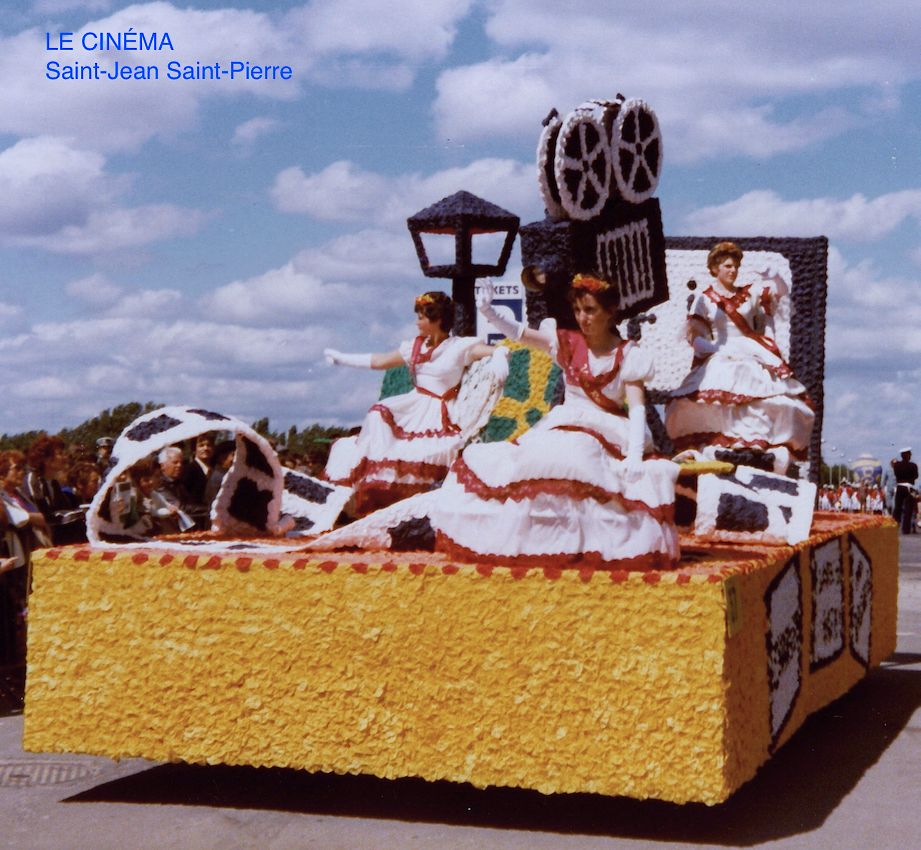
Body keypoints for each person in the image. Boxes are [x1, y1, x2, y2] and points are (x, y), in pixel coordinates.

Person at [424, 274, 679, 569]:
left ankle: (588, 541)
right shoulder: (568, 343)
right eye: (578, 310)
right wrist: (489, 312)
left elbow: (636, 408)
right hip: (565, 422)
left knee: (579, 456)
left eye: (590, 310)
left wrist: (634, 454)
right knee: (532, 460)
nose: (582, 318)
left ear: (610, 311)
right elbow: (522, 334)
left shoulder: (628, 355)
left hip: (607, 428)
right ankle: (540, 540)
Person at [322, 291, 508, 516]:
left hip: (439, 411)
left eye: (421, 317)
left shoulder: (459, 347)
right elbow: (380, 361)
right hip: (412, 407)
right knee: (378, 413)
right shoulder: (415, 347)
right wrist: (342, 358)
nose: (417, 323)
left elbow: (494, 350)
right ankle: (378, 480)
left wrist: (499, 355)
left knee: (424, 451)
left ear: (437, 319)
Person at [665, 242, 814, 475]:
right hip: (721, 352)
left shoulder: (749, 293)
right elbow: (694, 336)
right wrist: (713, 348)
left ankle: (753, 439)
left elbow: (780, 293)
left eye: (735, 266)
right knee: (719, 392)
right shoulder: (704, 299)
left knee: (760, 390)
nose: (733, 270)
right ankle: (725, 440)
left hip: (750, 349)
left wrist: (775, 277)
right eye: (727, 266)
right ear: (715, 268)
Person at [891, 448, 918, 534]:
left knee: (897, 508)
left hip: (899, 487)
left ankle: (894, 525)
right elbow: (916, 476)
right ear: (907, 455)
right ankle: (906, 529)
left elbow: (895, 473)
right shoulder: (913, 465)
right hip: (910, 487)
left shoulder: (897, 465)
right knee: (909, 509)